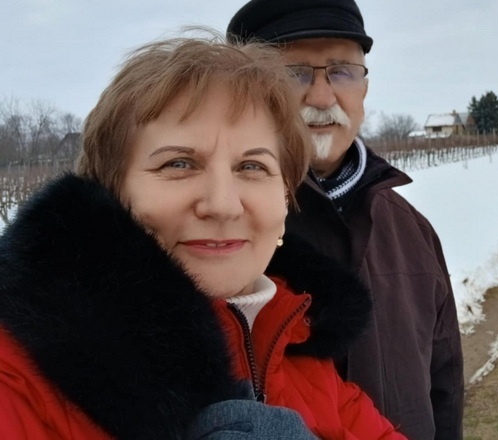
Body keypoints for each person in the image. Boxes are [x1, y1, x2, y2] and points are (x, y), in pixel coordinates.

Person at [0, 34, 407, 440]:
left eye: (252, 167)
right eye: (179, 164)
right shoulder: (16, 374)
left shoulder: (300, 348)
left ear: (285, 199)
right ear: (109, 191)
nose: (223, 205)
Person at [228, 0, 464, 440]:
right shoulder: (214, 234)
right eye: (293, 73)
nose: (322, 97)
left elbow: (445, 382)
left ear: (364, 87)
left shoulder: (411, 229)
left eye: (341, 72)